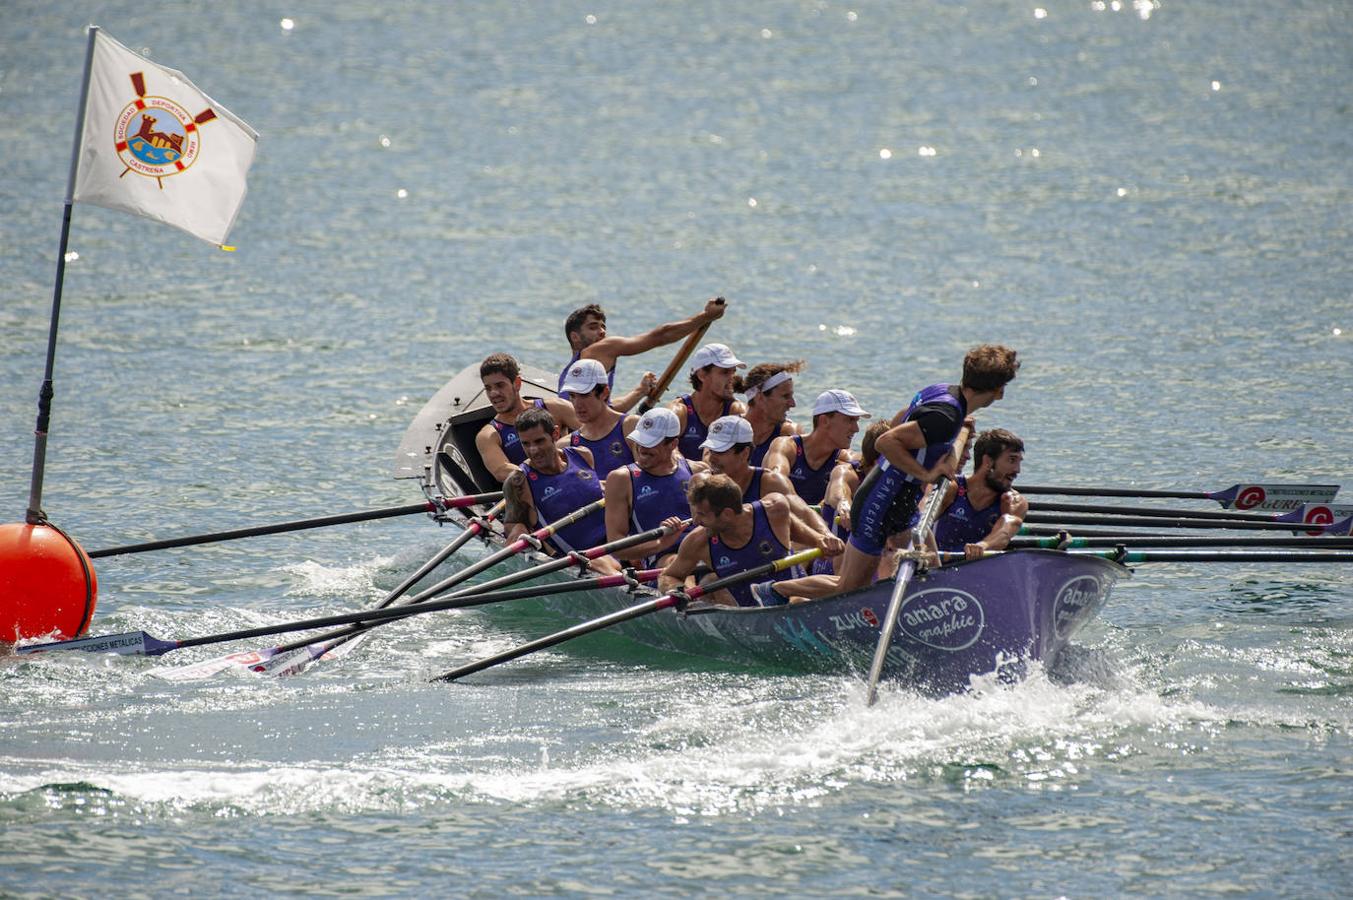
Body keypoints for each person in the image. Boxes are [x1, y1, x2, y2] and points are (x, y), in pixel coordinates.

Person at [760, 344, 1020, 602]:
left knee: (930, 564)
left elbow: (901, 421)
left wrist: (944, 451)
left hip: (902, 500)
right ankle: (776, 591)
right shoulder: (947, 416)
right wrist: (925, 474)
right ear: (998, 391)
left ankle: (931, 612)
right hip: (881, 500)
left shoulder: (944, 392)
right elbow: (885, 441)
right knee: (849, 586)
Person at [658, 473, 843, 607]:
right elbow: (669, 575)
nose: (696, 521)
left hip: (795, 598)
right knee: (709, 584)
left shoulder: (773, 509)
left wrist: (819, 539)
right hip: (746, 614)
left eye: (702, 515)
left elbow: (791, 528)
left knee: (805, 598)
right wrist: (677, 592)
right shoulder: (698, 541)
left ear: (727, 514)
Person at [559, 297, 728, 412]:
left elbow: (607, 411)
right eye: (593, 327)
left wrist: (640, 391)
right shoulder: (601, 349)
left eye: (603, 326)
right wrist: (706, 316)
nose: (602, 331)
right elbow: (660, 336)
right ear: (574, 336)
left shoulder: (567, 374)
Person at [501, 406, 617, 572]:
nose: (533, 450)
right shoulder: (518, 481)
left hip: (618, 542)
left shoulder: (582, 455)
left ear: (555, 434)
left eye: (539, 441)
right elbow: (511, 526)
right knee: (603, 564)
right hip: (583, 560)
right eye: (526, 444)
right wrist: (518, 528)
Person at [701, 415, 838, 555]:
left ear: (744, 453)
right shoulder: (702, 483)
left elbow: (803, 512)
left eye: (720, 452)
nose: (712, 459)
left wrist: (826, 536)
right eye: (711, 451)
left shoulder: (771, 482)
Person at [604, 408, 706, 567]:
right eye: (640, 440)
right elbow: (615, 546)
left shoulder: (698, 471)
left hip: (704, 551)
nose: (642, 449)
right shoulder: (621, 479)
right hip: (663, 560)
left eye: (650, 443)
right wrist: (660, 543)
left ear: (673, 444)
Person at [475, 353, 580, 483]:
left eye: (500, 386)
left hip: (574, 477)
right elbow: (502, 471)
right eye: (488, 388)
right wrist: (544, 471)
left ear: (517, 383)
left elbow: (591, 432)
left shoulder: (556, 407)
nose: (494, 393)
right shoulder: (488, 436)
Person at [930, 428, 1027, 560]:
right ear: (988, 461)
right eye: (1012, 460)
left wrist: (983, 545)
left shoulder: (1014, 502)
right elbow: (919, 521)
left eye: (1019, 462)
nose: (1017, 470)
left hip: (978, 572)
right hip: (936, 567)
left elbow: (1005, 531)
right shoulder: (952, 488)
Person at [763, 389, 867, 506]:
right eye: (850, 420)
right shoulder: (786, 447)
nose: (856, 429)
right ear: (824, 421)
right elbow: (774, 480)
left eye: (856, 421)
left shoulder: (847, 460)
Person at [560, 358, 636, 478]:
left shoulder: (631, 427)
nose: (577, 404)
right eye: (572, 396)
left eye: (584, 395)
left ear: (604, 393)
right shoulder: (565, 445)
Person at [672, 343, 748, 462]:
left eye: (733, 372)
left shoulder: (737, 411)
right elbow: (667, 452)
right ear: (702, 374)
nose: (732, 379)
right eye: (725, 372)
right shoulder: (679, 411)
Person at [734, 361, 802, 465]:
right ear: (760, 398)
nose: (793, 404)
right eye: (785, 396)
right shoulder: (729, 428)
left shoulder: (789, 432)